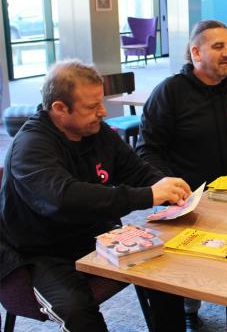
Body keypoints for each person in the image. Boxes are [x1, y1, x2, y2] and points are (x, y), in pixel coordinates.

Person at [0, 60, 193, 332]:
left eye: (101, 103)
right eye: (92, 107)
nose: (102, 112)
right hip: (40, 251)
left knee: (163, 272)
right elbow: (64, 199)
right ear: (59, 109)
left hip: (93, 234)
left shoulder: (94, 130)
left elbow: (135, 170)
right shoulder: (31, 146)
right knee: (78, 313)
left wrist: (164, 185)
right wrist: (147, 195)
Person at [136, 19, 227, 330]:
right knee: (168, 279)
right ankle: (184, 307)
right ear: (196, 52)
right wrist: (168, 185)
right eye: (218, 46)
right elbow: (146, 151)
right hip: (181, 203)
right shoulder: (170, 93)